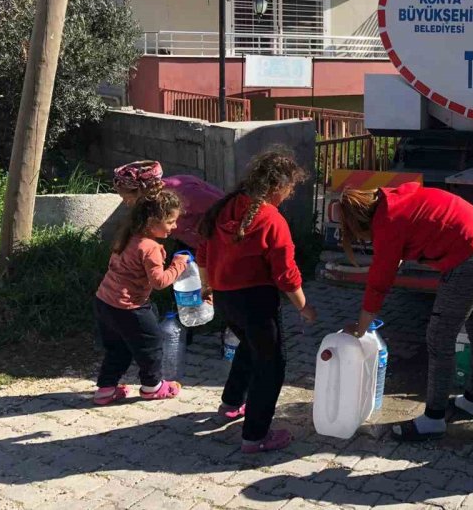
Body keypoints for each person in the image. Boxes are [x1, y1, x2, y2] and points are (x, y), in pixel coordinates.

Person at [338, 182, 473, 442]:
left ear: (360, 223)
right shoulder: (396, 198)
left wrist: (361, 327)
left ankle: (434, 419)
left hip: (470, 260)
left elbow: (378, 284)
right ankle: (472, 401)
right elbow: (420, 226)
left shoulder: (387, 222)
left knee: (440, 338)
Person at [199, 149, 317, 454]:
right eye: (290, 188)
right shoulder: (271, 219)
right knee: (272, 364)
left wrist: (207, 286)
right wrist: (304, 307)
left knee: (250, 347)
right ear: (278, 186)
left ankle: (230, 404)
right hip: (256, 303)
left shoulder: (223, 207)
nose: (290, 195)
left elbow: (202, 254)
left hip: (226, 299)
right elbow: (287, 274)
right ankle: (255, 436)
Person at [93, 188, 187, 405]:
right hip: (129, 307)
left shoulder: (129, 237)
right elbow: (160, 282)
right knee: (152, 344)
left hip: (104, 302)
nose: (175, 226)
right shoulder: (150, 247)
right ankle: (152, 387)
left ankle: (105, 389)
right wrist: (177, 265)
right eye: (171, 221)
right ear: (153, 221)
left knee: (118, 348)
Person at [113, 161, 223, 252]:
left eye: (127, 198)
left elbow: (224, 208)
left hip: (219, 242)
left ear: (141, 191)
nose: (126, 203)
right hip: (196, 245)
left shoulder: (186, 193)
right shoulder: (148, 203)